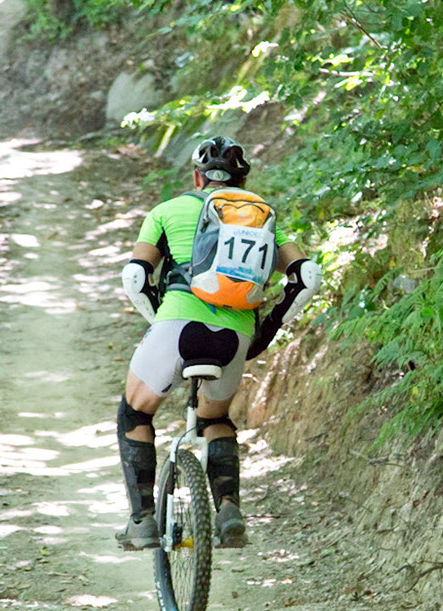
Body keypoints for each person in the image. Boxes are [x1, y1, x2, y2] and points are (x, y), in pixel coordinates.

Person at [115, 136, 322, 550]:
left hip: (176, 327)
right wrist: (267, 330)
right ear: (243, 181)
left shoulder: (166, 211)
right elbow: (307, 277)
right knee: (216, 420)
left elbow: (136, 277)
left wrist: (160, 321)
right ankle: (228, 510)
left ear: (197, 178)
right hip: (234, 336)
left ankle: (142, 521)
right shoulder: (263, 219)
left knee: (134, 413)